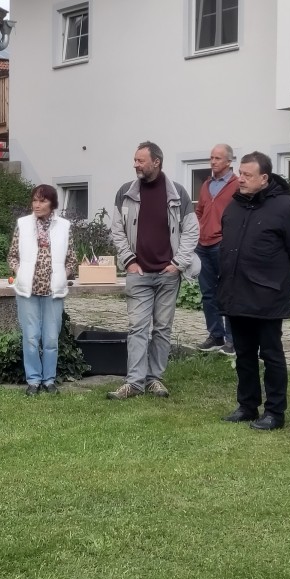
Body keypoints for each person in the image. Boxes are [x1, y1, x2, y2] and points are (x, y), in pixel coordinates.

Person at [217, 151, 290, 430]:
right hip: (236, 292)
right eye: (240, 174)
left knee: (271, 354)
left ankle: (274, 412)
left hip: (267, 295)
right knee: (244, 353)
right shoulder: (234, 206)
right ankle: (247, 405)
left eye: (247, 175)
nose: (240, 179)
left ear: (264, 178)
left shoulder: (285, 208)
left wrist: (280, 282)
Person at [107, 141, 200, 399]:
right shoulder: (125, 192)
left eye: (140, 160)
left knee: (162, 328)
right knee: (137, 327)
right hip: (138, 274)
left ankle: (154, 379)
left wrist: (177, 264)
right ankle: (134, 383)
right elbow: (117, 230)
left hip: (167, 275)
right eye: (135, 160)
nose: (135, 164)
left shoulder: (178, 193)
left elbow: (192, 232)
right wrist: (129, 261)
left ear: (156, 162)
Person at [8, 184, 77, 395]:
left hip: (53, 291)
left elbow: (72, 259)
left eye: (42, 201)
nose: (37, 205)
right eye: (35, 200)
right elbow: (12, 256)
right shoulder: (23, 224)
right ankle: (33, 381)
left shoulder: (64, 226)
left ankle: (49, 380)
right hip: (27, 290)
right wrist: (20, 273)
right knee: (30, 337)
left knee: (50, 339)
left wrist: (61, 277)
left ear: (52, 203)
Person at [194, 143, 239, 356]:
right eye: (211, 157)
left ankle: (232, 339)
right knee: (208, 294)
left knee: (228, 293)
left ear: (229, 161)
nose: (213, 161)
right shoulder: (206, 185)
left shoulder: (237, 184)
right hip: (203, 245)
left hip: (223, 244)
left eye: (218, 158)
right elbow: (199, 211)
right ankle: (216, 335)